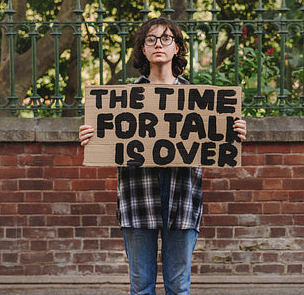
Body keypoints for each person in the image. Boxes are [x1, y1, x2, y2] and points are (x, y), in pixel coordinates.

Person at [79, 17, 246, 295]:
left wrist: (234, 130)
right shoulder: (122, 98)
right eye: (151, 39)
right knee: (141, 286)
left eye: (166, 38)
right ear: (142, 49)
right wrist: (90, 136)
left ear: (177, 48)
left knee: (179, 287)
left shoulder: (199, 98)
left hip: (183, 198)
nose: (159, 44)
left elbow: (215, 139)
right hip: (137, 197)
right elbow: (106, 139)